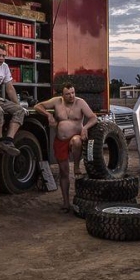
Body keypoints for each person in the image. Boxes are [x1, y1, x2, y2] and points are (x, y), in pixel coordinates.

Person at [34, 82, 97, 212]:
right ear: (62, 95)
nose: (71, 96)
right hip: (60, 140)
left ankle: (76, 166)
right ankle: (66, 203)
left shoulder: (80, 103)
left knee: (76, 141)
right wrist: (48, 115)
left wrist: (85, 127)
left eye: (73, 93)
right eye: (68, 94)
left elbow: (93, 117)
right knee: (63, 173)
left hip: (75, 138)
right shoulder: (57, 102)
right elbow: (37, 106)